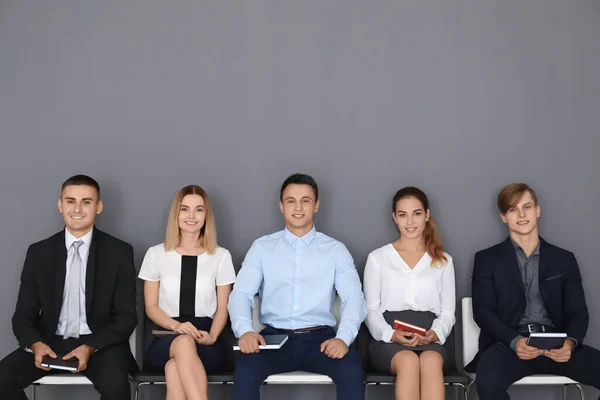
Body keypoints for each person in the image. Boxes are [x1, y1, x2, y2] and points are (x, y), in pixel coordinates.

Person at [228, 173, 366, 400]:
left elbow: (354, 299)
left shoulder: (335, 250)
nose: (298, 207)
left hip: (320, 340)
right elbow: (241, 295)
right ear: (281, 206)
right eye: (291, 201)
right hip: (274, 339)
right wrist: (245, 332)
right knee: (245, 370)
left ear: (317, 205)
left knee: (351, 369)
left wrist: (343, 338)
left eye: (306, 200)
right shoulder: (262, 248)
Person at [0, 175, 138, 400]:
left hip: (101, 344)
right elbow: (23, 315)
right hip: (49, 342)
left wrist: (90, 346)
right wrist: (35, 344)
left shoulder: (119, 252)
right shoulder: (39, 253)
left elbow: (126, 318)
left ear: (99, 206)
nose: (77, 208)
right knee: (2, 378)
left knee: (116, 386)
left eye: (86, 201)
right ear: (60, 205)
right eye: (71, 200)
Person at [469, 183, 600, 399]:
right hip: (508, 344)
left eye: (527, 207)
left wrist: (569, 343)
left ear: (537, 211)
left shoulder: (564, 259)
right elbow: (483, 311)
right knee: (488, 382)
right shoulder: (486, 259)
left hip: (557, 344)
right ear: (503, 217)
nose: (521, 214)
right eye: (513, 209)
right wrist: (514, 341)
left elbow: (578, 312)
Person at [138, 185, 235, 400]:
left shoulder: (221, 256)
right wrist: (177, 326)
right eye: (184, 209)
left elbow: (222, 309)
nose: (191, 216)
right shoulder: (155, 254)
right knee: (182, 343)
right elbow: (151, 307)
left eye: (199, 209)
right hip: (168, 336)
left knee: (174, 369)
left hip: (207, 339)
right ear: (176, 214)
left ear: (206, 215)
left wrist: (212, 336)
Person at [364, 186, 455, 400]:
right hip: (388, 337)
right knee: (408, 361)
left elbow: (448, 312)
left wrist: (435, 333)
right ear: (394, 218)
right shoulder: (378, 258)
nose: (410, 222)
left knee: (431, 361)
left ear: (427, 215)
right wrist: (391, 334)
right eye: (403, 215)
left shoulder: (443, 260)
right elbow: (370, 310)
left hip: (430, 335)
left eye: (416, 213)